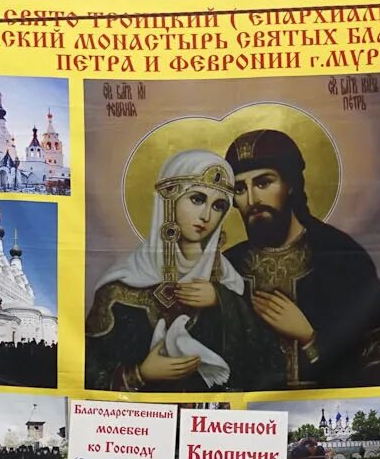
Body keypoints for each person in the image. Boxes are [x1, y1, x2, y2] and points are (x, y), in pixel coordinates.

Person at [86, 149, 284, 392]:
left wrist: (222, 301)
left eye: (218, 205)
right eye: (197, 199)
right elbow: (88, 373)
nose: (206, 215)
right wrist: (139, 374)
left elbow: (266, 366)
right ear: (169, 200)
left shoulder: (231, 282)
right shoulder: (119, 287)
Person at [222, 129, 380, 389]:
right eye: (240, 188)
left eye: (263, 183)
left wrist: (310, 339)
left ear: (290, 184)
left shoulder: (340, 256)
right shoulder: (227, 266)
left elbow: (379, 360)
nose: (252, 199)